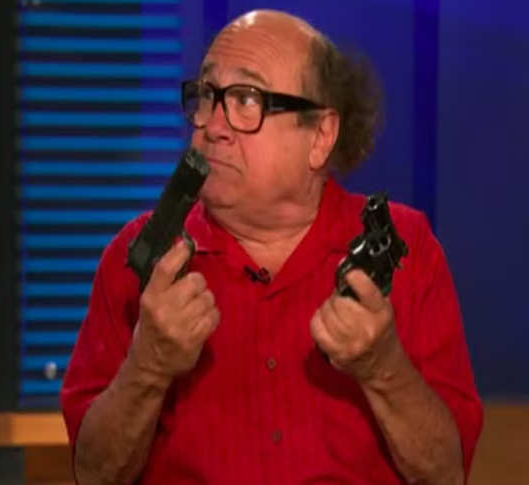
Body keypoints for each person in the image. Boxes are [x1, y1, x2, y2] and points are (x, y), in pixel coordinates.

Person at [61, 9, 483, 485]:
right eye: (206, 95)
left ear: (320, 136)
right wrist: (148, 367)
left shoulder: (404, 247)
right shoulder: (138, 258)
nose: (212, 126)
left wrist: (384, 369)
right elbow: (93, 475)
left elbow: (446, 473)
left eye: (246, 99)